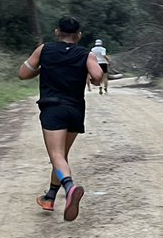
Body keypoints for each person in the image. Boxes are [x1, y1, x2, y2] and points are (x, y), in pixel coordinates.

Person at [18, 16, 103, 221]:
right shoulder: (86, 54)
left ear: (57, 32)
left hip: (53, 108)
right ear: (79, 35)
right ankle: (49, 197)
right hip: (75, 110)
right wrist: (91, 77)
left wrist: (42, 67)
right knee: (61, 156)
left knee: (56, 155)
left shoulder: (45, 50)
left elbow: (22, 74)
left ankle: (70, 187)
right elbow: (98, 76)